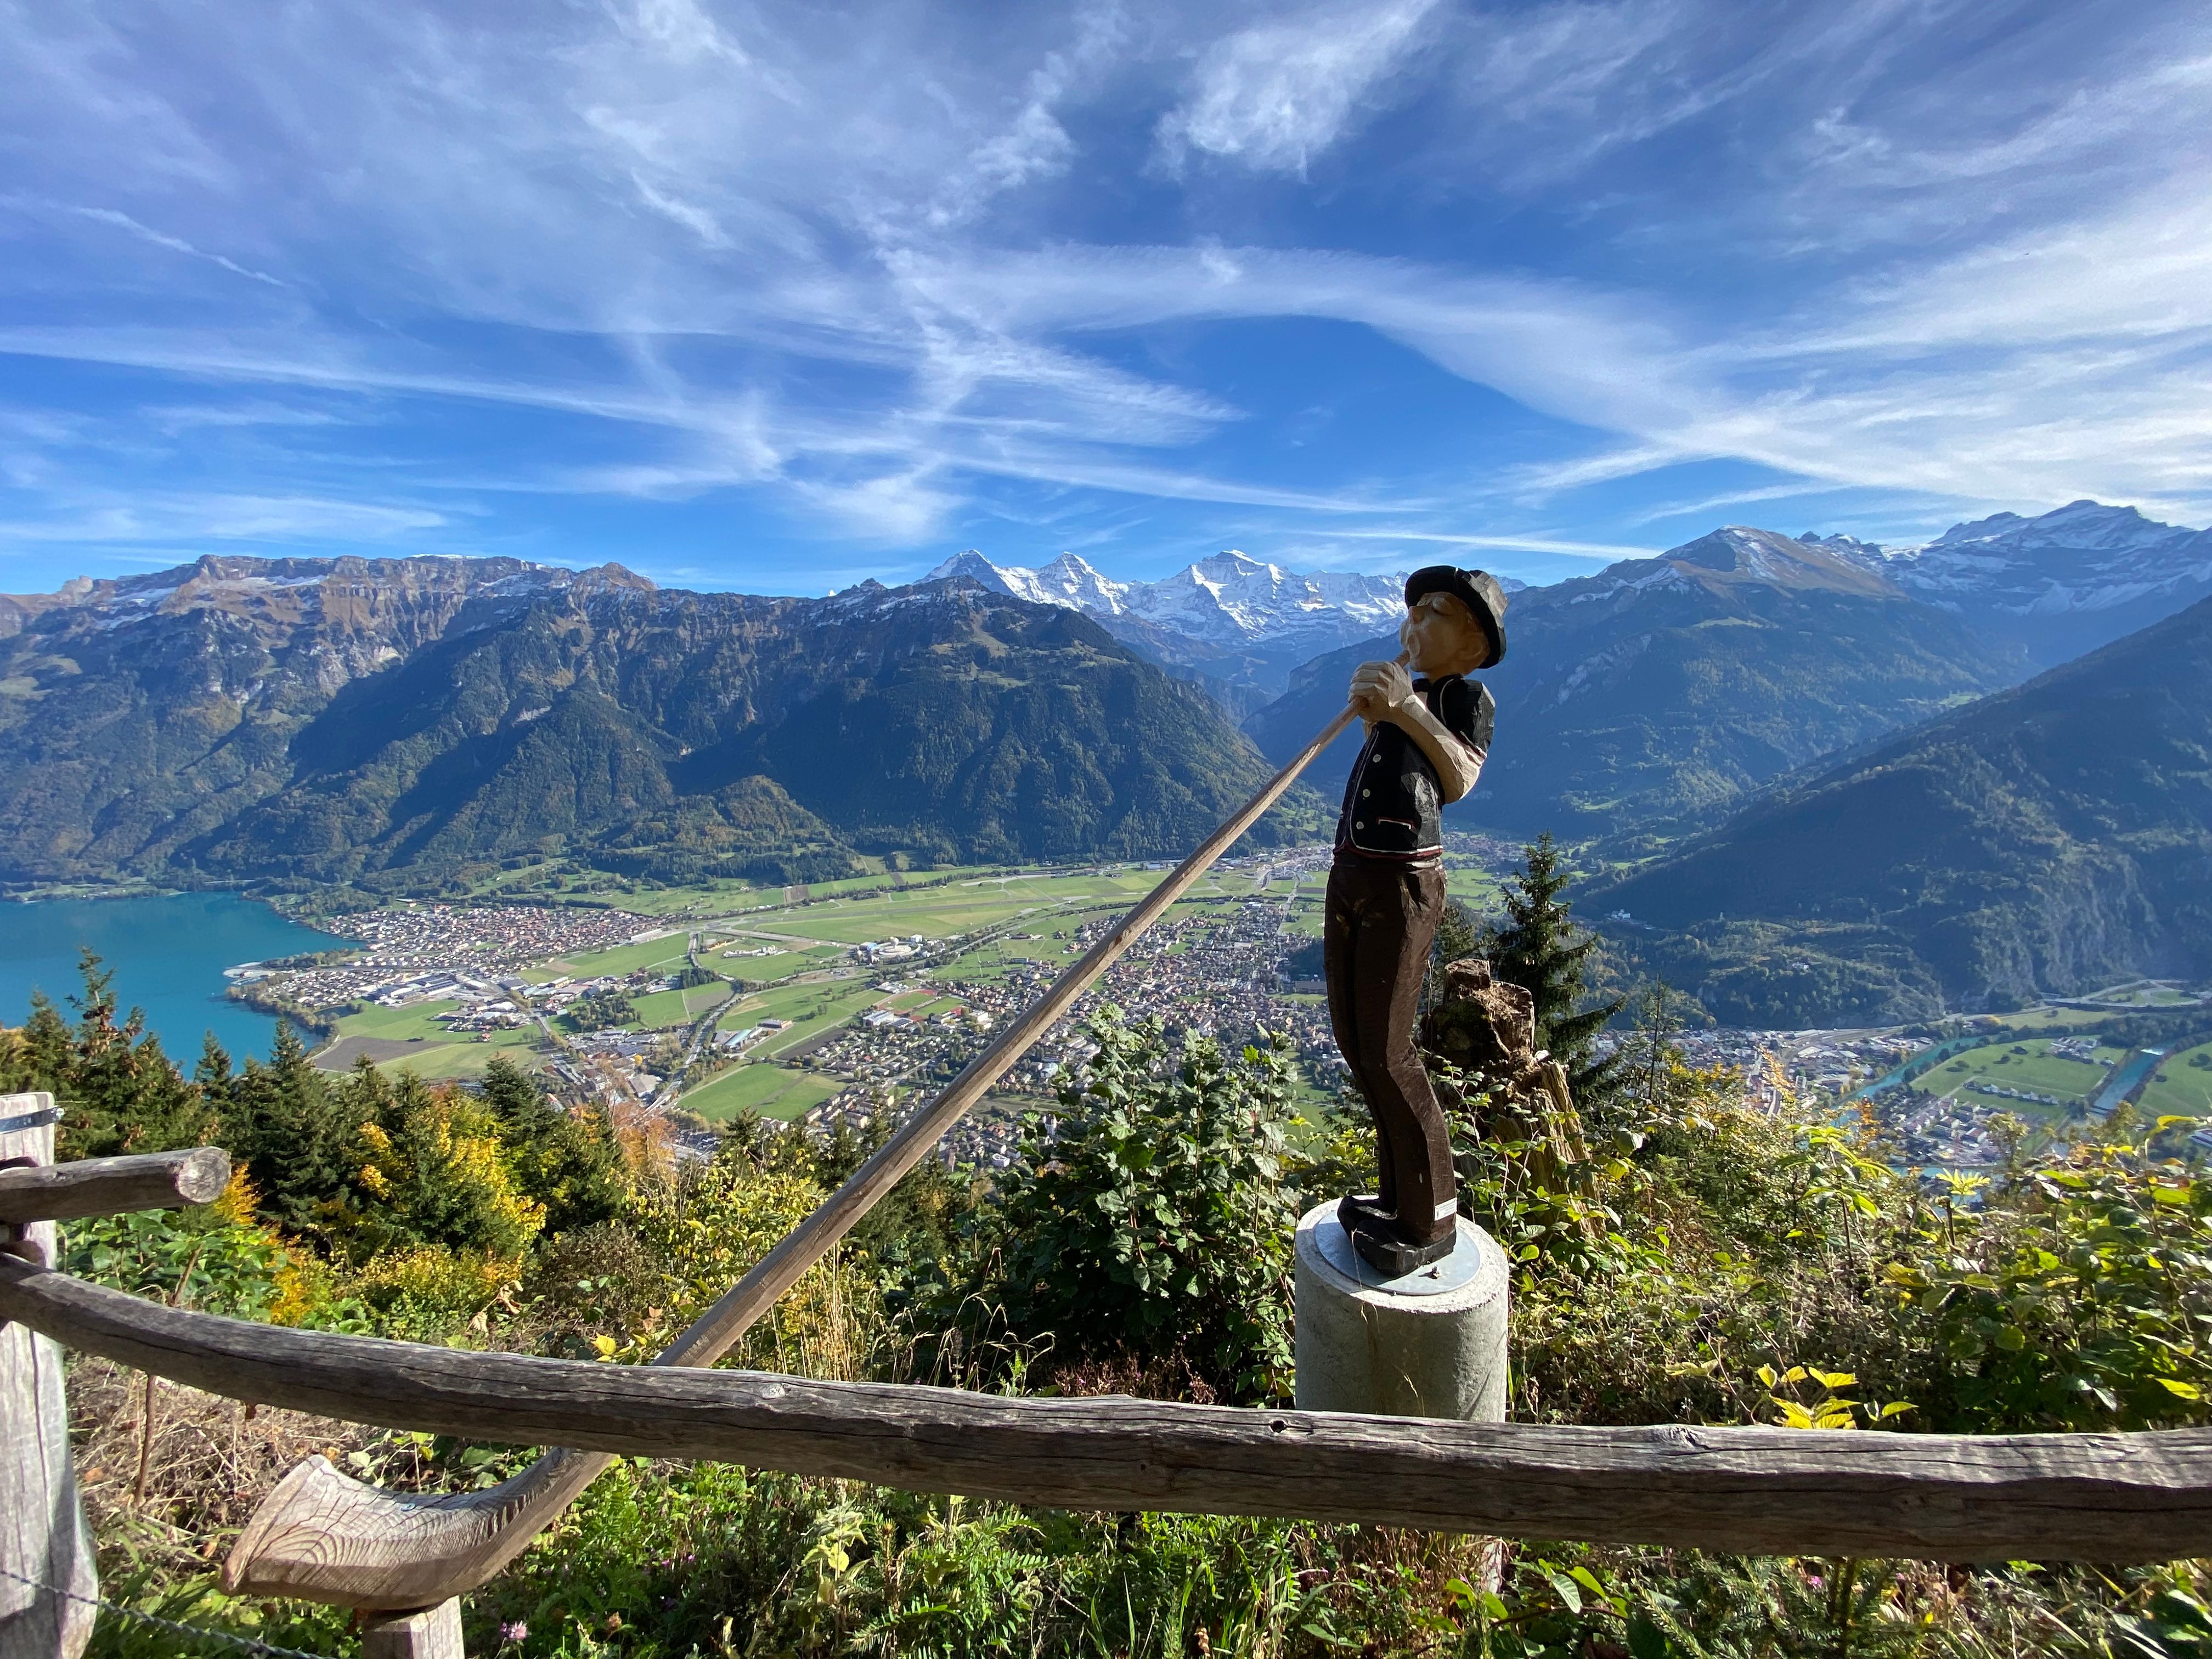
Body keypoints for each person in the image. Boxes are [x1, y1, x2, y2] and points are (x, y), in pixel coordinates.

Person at [1325, 566, 1506, 1275]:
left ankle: (1430, 1218)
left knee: (1391, 1051)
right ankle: (1395, 1198)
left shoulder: (1466, 699)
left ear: (1473, 643)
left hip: (1404, 879)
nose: (1414, 625)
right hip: (1355, 870)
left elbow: (1459, 775)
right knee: (1357, 1041)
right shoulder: (1416, 696)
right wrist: (1377, 711)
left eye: (1433, 613)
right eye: (1413, 613)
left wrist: (1404, 711)